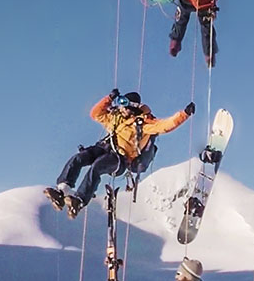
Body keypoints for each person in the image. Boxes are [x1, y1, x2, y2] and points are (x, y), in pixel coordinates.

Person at [45, 90, 193, 217]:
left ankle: (80, 200)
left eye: (124, 105)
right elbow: (95, 114)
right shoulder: (116, 117)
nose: (121, 107)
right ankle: (62, 189)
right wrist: (108, 99)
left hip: (121, 159)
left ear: (133, 107)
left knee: (97, 167)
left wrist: (184, 114)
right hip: (104, 147)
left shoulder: (143, 123)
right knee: (79, 158)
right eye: (120, 103)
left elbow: (166, 125)